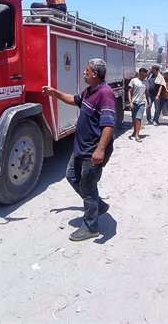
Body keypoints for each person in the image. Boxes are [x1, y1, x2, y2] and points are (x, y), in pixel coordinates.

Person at [42, 58, 115, 241]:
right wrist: (54, 93)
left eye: (87, 69)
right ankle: (98, 205)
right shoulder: (90, 91)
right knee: (71, 176)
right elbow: (74, 100)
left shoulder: (105, 93)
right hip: (80, 149)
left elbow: (109, 125)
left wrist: (100, 150)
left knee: (87, 187)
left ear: (95, 74)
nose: (84, 72)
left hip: (92, 151)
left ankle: (91, 227)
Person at [127, 68, 148, 143]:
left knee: (138, 118)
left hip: (142, 102)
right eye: (144, 75)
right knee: (134, 118)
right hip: (134, 102)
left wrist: (148, 102)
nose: (145, 76)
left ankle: (137, 135)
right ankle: (135, 131)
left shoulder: (146, 82)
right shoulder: (134, 81)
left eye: (146, 75)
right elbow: (129, 91)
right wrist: (130, 102)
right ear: (140, 74)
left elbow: (146, 92)